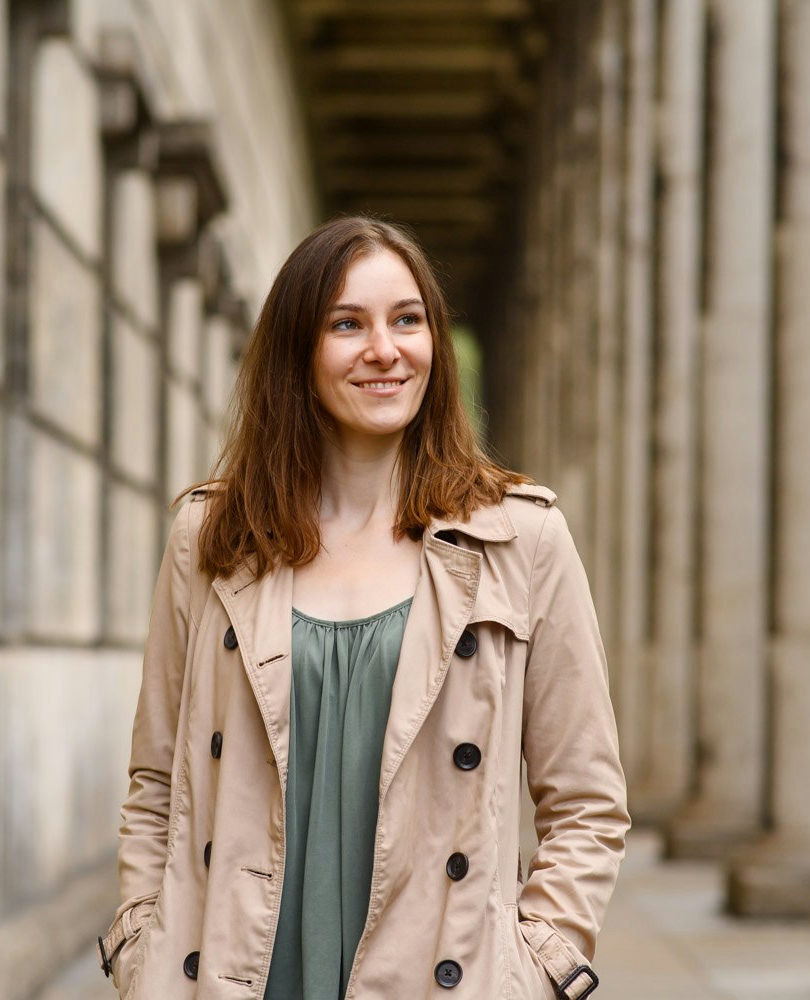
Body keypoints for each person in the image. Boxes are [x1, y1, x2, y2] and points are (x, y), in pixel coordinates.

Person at [99, 216, 628, 999]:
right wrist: (143, 947)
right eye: (347, 324)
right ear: (297, 352)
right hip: (235, 974)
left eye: (407, 320)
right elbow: (155, 779)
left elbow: (587, 801)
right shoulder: (213, 537)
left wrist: (536, 970)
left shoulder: (523, 539)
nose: (385, 349)